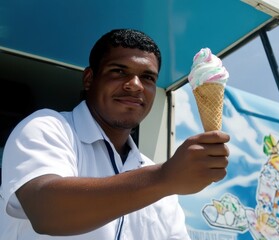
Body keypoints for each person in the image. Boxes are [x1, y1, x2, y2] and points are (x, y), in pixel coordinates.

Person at [0, 29, 230, 239]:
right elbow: (45, 211)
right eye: (119, 71)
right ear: (90, 79)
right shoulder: (47, 127)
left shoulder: (163, 186)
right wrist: (164, 177)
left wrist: (165, 179)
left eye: (148, 77)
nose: (135, 85)